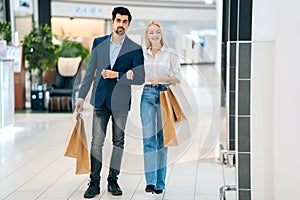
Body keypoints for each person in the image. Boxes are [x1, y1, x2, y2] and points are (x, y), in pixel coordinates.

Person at [75, 6, 145, 198]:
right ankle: (94, 182)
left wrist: (118, 75)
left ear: (128, 24)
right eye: (118, 20)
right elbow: (89, 73)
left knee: (118, 142)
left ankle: (113, 181)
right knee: (96, 142)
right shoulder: (99, 43)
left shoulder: (135, 49)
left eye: (124, 21)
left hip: (121, 102)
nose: (120, 24)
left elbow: (140, 76)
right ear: (112, 21)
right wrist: (81, 96)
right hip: (100, 100)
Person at [140, 20, 181, 194]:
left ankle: (160, 183)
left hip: (164, 95)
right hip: (147, 95)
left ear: (161, 34)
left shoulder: (170, 53)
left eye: (157, 32)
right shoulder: (143, 54)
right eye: (151, 32)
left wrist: (161, 79)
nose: (154, 35)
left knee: (162, 141)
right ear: (147, 35)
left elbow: (177, 77)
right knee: (148, 139)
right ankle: (150, 181)